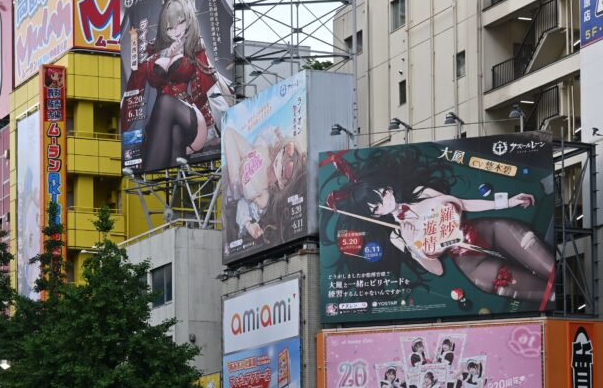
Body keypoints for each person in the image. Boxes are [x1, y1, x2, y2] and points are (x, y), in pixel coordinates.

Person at [322, 147, 555, 302]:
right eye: (376, 207)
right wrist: (413, 247)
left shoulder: (420, 192)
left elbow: (464, 203)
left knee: (554, 272)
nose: (385, 202)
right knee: (550, 294)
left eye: (383, 193)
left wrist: (509, 201)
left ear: (388, 187)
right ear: (375, 214)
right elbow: (438, 270)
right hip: (472, 264)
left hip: (488, 230)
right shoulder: (397, 236)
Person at [126, 0, 230, 170]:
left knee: (165, 101)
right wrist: (164, 55)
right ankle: (157, 184)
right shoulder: (153, 48)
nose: (176, 31)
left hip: (193, 119)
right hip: (166, 123)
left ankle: (146, 175)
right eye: (169, 27)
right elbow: (138, 78)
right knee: (171, 166)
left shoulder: (196, 46)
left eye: (180, 23)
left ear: (188, 19)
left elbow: (207, 84)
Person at [224, 126, 304, 241]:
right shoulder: (268, 149)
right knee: (228, 131)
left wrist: (248, 225)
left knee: (228, 133)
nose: (279, 165)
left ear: (282, 183)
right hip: (247, 154)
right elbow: (264, 135)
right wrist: (274, 132)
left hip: (236, 181)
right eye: (283, 156)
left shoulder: (265, 196)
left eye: (282, 171)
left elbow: (243, 204)